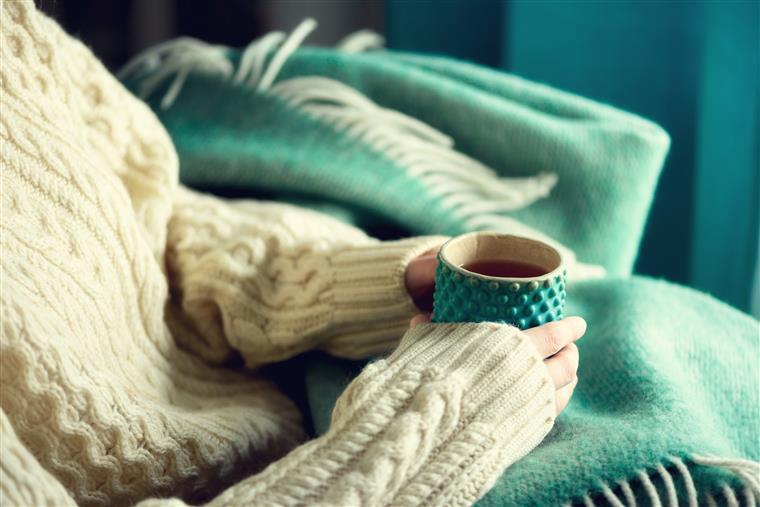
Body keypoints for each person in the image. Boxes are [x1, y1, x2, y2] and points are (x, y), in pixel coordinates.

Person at [0, 2, 584, 505]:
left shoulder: (17, 34)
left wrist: (347, 283)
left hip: (291, 411)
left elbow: (153, 213)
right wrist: (446, 417)